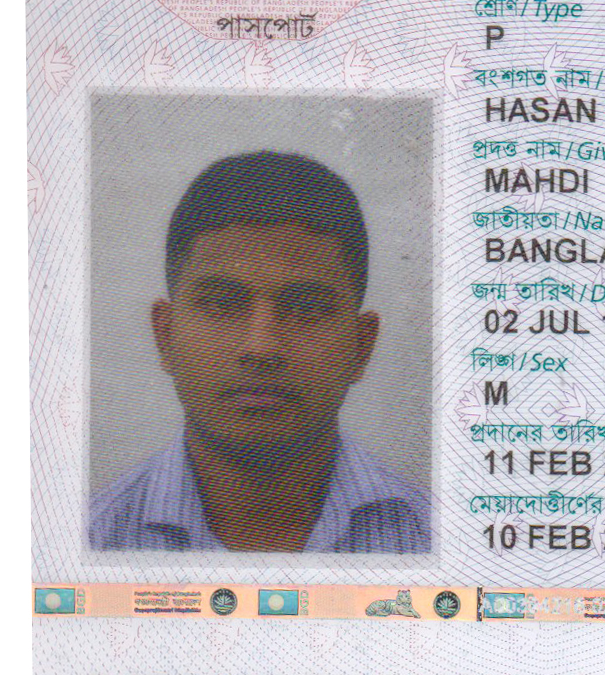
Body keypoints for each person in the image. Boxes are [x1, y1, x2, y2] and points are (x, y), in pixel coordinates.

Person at [88, 149, 430, 556]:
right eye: (220, 305)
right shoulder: (86, 540)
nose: (261, 347)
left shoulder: (445, 539)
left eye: (307, 309)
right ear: (165, 336)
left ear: (361, 346)